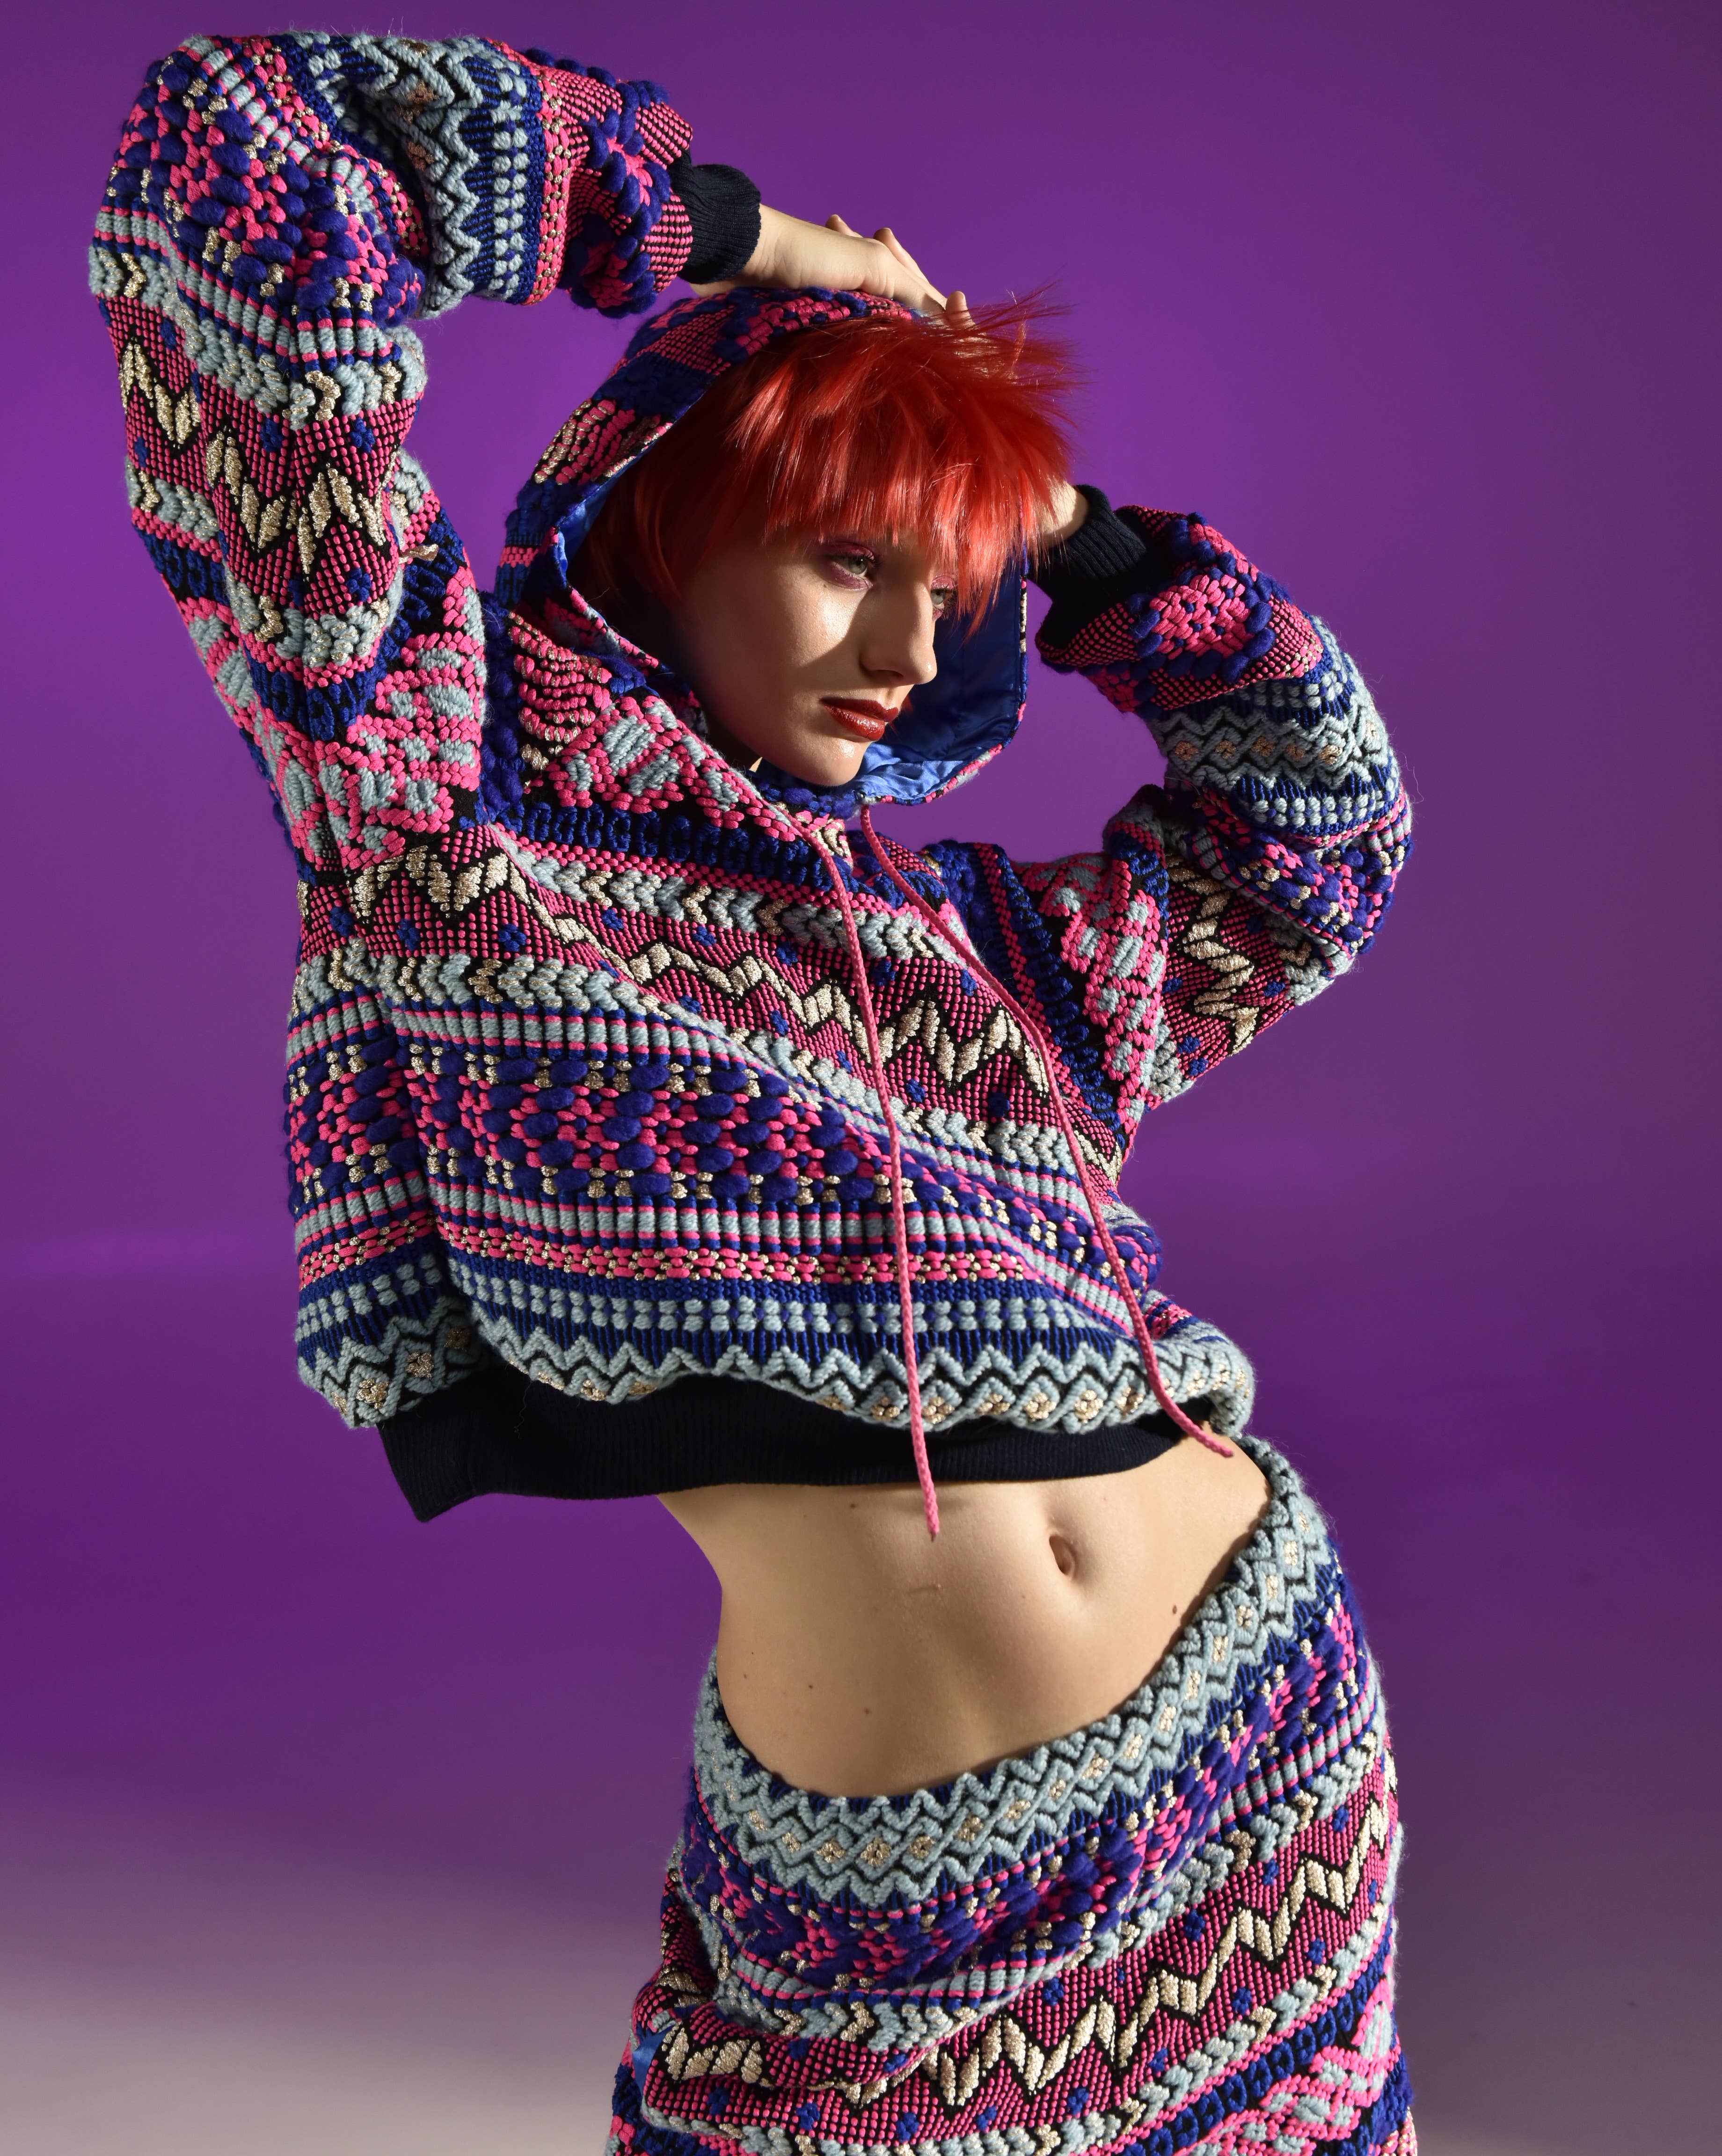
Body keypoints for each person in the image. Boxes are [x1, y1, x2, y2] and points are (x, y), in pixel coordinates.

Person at [93, 32, 1417, 2156]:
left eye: (946, 590)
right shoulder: (442, 810)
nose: (903, 647)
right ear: (664, 525)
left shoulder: (984, 957)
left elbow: (1319, 829)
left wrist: (1063, 532)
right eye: (840, 558)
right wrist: (750, 246)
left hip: (1274, 1768)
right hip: (909, 1886)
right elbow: (244, 161)